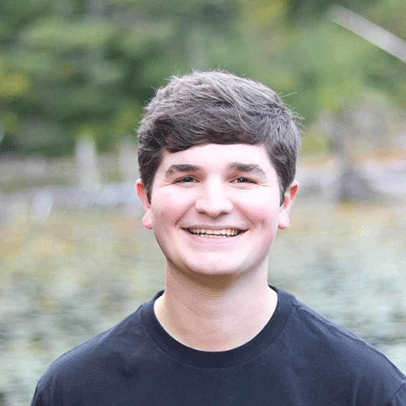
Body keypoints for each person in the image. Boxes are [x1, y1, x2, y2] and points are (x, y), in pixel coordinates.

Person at [31, 71, 406, 405]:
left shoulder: (365, 389)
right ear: (147, 200)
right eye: (186, 178)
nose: (213, 205)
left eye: (242, 179)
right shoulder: (73, 390)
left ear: (284, 203)